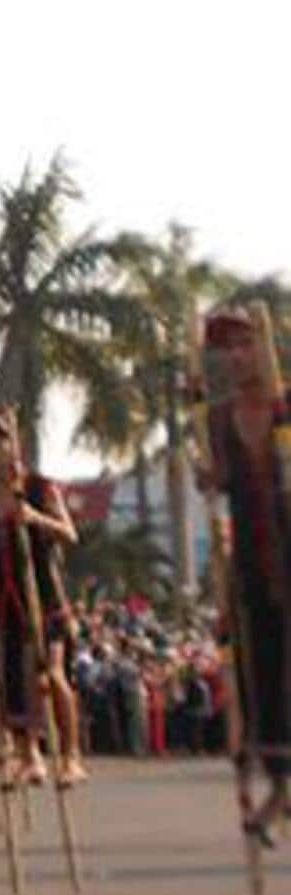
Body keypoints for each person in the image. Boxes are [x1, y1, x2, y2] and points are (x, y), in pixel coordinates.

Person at [198, 307, 290, 837]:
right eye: (224, 349)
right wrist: (211, 479)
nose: (235, 357)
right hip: (254, 563)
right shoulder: (218, 419)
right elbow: (222, 484)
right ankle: (280, 786)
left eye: (242, 345)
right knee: (265, 673)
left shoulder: (287, 405)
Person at [0, 415, 87, 786]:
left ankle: (71, 755)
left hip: (43, 597)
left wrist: (34, 518)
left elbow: (69, 533)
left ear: (13, 445)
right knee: (5, 678)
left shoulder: (39, 488)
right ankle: (28, 753)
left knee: (50, 675)